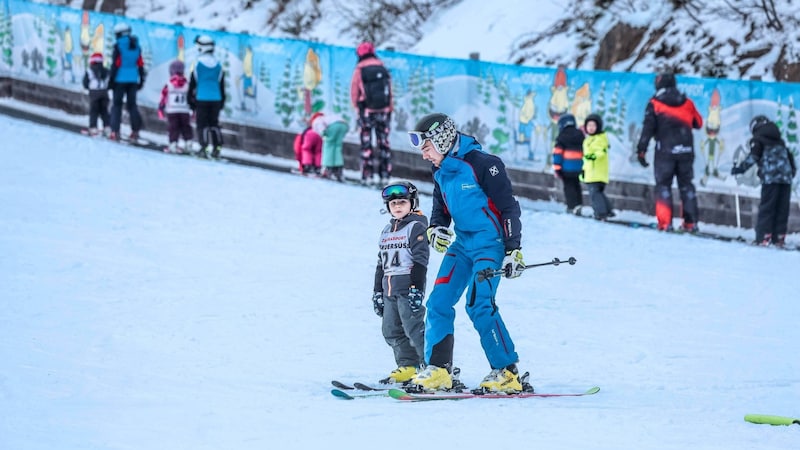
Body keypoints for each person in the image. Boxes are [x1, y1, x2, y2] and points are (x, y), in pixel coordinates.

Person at [406, 113, 526, 394]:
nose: (424, 156)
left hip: (490, 244)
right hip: (462, 245)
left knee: (478, 303)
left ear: (442, 140)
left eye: (426, 148)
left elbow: (509, 208)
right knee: (438, 302)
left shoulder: (485, 165)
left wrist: (513, 250)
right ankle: (438, 370)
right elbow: (440, 206)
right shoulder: (441, 170)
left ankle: (507, 372)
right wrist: (437, 228)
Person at [372, 181, 429, 384]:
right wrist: (377, 292)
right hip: (389, 290)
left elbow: (421, 261)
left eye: (402, 202)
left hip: (407, 288)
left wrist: (416, 289)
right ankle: (408, 365)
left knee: (414, 329)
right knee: (391, 330)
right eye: (393, 203)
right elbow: (381, 265)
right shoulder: (387, 231)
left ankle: (432, 366)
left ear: (412, 204)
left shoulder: (416, 227)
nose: (397, 206)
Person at [636, 72, 703, 232]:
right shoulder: (687, 102)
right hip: (686, 150)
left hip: (665, 151)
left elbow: (648, 129)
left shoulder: (655, 103)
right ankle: (690, 223)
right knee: (687, 186)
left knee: (663, 186)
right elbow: (698, 123)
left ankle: (665, 224)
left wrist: (641, 150)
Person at [731, 115, 797, 247]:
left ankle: (764, 236)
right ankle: (779, 237)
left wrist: (740, 169)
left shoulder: (758, 139)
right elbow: (790, 159)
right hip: (785, 178)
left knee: (767, 207)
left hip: (771, 178)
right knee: (782, 208)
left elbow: (754, 156)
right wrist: (791, 174)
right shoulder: (779, 140)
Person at [350, 41, 393, 185]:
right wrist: (389, 108)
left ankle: (367, 176)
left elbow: (354, 92)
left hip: (367, 112)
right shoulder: (382, 67)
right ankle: (385, 175)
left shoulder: (360, 69)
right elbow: (390, 90)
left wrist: (358, 107)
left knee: (366, 144)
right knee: (384, 144)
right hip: (384, 111)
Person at [189, 35, 225, 159]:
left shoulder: (197, 63)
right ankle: (217, 147)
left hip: (202, 97)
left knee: (202, 124)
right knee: (214, 123)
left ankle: (203, 147)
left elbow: (193, 82)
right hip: (216, 98)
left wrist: (190, 99)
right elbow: (221, 83)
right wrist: (222, 100)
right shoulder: (218, 64)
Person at [108, 22, 146, 142]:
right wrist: (141, 79)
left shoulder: (118, 46)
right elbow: (140, 64)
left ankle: (115, 131)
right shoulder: (136, 46)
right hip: (133, 79)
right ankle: (135, 131)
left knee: (117, 105)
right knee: (132, 105)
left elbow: (116, 64)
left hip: (119, 79)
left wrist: (111, 80)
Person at [582, 113, 615, 220]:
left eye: (593, 126)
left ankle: (601, 212)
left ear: (598, 127)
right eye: (589, 126)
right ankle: (608, 210)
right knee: (598, 192)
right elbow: (585, 157)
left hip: (597, 172)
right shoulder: (588, 139)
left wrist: (592, 156)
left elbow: (601, 152)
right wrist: (583, 170)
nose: (591, 128)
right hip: (591, 171)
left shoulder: (599, 139)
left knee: (595, 194)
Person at [552, 113, 585, 214]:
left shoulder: (562, 136)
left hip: (566, 168)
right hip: (579, 167)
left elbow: (557, 153)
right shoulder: (580, 135)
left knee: (569, 187)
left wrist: (557, 168)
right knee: (576, 185)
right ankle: (578, 204)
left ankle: (571, 206)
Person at [158, 60, 193, 154]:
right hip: (185, 110)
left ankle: (173, 144)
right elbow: (191, 97)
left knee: (173, 127)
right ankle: (188, 143)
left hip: (172, 110)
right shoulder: (187, 83)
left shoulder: (169, 83)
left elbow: (163, 96)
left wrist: (161, 108)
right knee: (186, 127)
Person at [310, 111, 348, 182]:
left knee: (328, 147)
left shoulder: (317, 120)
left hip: (334, 126)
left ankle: (327, 169)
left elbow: (321, 128)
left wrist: (323, 135)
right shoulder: (327, 117)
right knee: (337, 147)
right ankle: (338, 169)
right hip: (344, 125)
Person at [81, 52, 110, 136]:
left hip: (94, 93)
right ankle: (107, 127)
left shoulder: (90, 71)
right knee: (104, 111)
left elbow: (85, 83)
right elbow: (110, 82)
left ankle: (93, 128)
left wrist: (88, 87)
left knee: (94, 111)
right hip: (104, 93)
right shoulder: (106, 70)